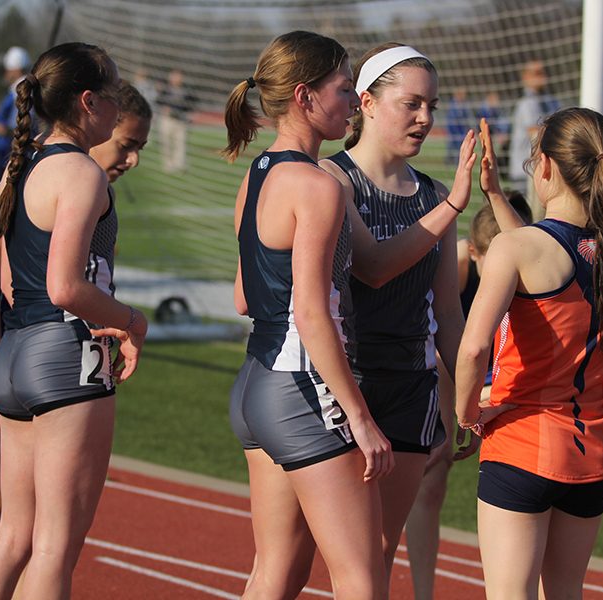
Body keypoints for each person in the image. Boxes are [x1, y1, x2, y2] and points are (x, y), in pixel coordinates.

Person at [0, 81, 152, 598]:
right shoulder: (74, 176)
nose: (132, 159)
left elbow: (12, 283)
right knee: (44, 539)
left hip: (18, 343)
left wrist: (4, 367)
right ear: (91, 106)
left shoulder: (26, 171)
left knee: (14, 532)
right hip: (29, 344)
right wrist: (130, 320)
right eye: (126, 142)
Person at [321, 43, 511, 586]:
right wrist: (452, 203)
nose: (426, 118)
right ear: (368, 103)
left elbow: (449, 314)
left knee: (379, 551)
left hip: (409, 387)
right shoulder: (332, 181)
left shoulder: (430, 193)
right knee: (328, 555)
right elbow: (373, 269)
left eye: (432, 104)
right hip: (342, 384)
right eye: (412, 103)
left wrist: (469, 397)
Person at [455, 107, 603, 599]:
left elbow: (474, 348)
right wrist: (497, 197)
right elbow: (540, 250)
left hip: (523, 443)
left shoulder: (519, 249)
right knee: (565, 592)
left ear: (545, 167)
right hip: (593, 454)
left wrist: (466, 414)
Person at [224, 31, 393, 600]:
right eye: (345, 89)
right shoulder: (317, 186)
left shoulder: (259, 174)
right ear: (305, 95)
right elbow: (312, 314)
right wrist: (360, 417)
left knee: (278, 572)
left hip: (256, 383)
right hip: (302, 386)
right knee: (361, 578)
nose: (352, 103)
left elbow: (244, 298)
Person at [405, 180, 530, 600]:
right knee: (430, 478)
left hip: (501, 379)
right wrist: (458, 409)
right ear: (475, 253)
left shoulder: (533, 254)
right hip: (446, 371)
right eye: (492, 264)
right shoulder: (456, 263)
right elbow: (437, 343)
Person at [508, 59, 559, 216]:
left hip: (542, 170)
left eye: (544, 72)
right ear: (526, 77)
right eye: (536, 73)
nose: (542, 77)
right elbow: (536, 132)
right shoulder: (526, 104)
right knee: (525, 218)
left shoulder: (550, 101)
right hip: (525, 171)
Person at [0, 46, 32, 181]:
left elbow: (16, 129)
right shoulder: (19, 91)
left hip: (12, 158)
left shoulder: (19, 93)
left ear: (15, 69)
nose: (4, 73)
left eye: (6, 69)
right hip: (10, 157)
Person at [157, 68, 194, 172]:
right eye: (174, 76)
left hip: (181, 121)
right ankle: (168, 165)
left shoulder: (186, 90)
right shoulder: (165, 89)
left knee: (180, 144)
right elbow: (158, 101)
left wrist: (189, 114)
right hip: (167, 120)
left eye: (179, 76)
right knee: (166, 143)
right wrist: (164, 108)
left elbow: (191, 104)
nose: (176, 78)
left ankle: (179, 165)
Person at [445, 87, 470, 164]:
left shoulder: (463, 105)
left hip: (461, 131)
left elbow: (465, 117)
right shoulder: (453, 104)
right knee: (452, 146)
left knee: (459, 147)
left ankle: (457, 162)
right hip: (453, 129)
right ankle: (449, 161)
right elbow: (451, 118)